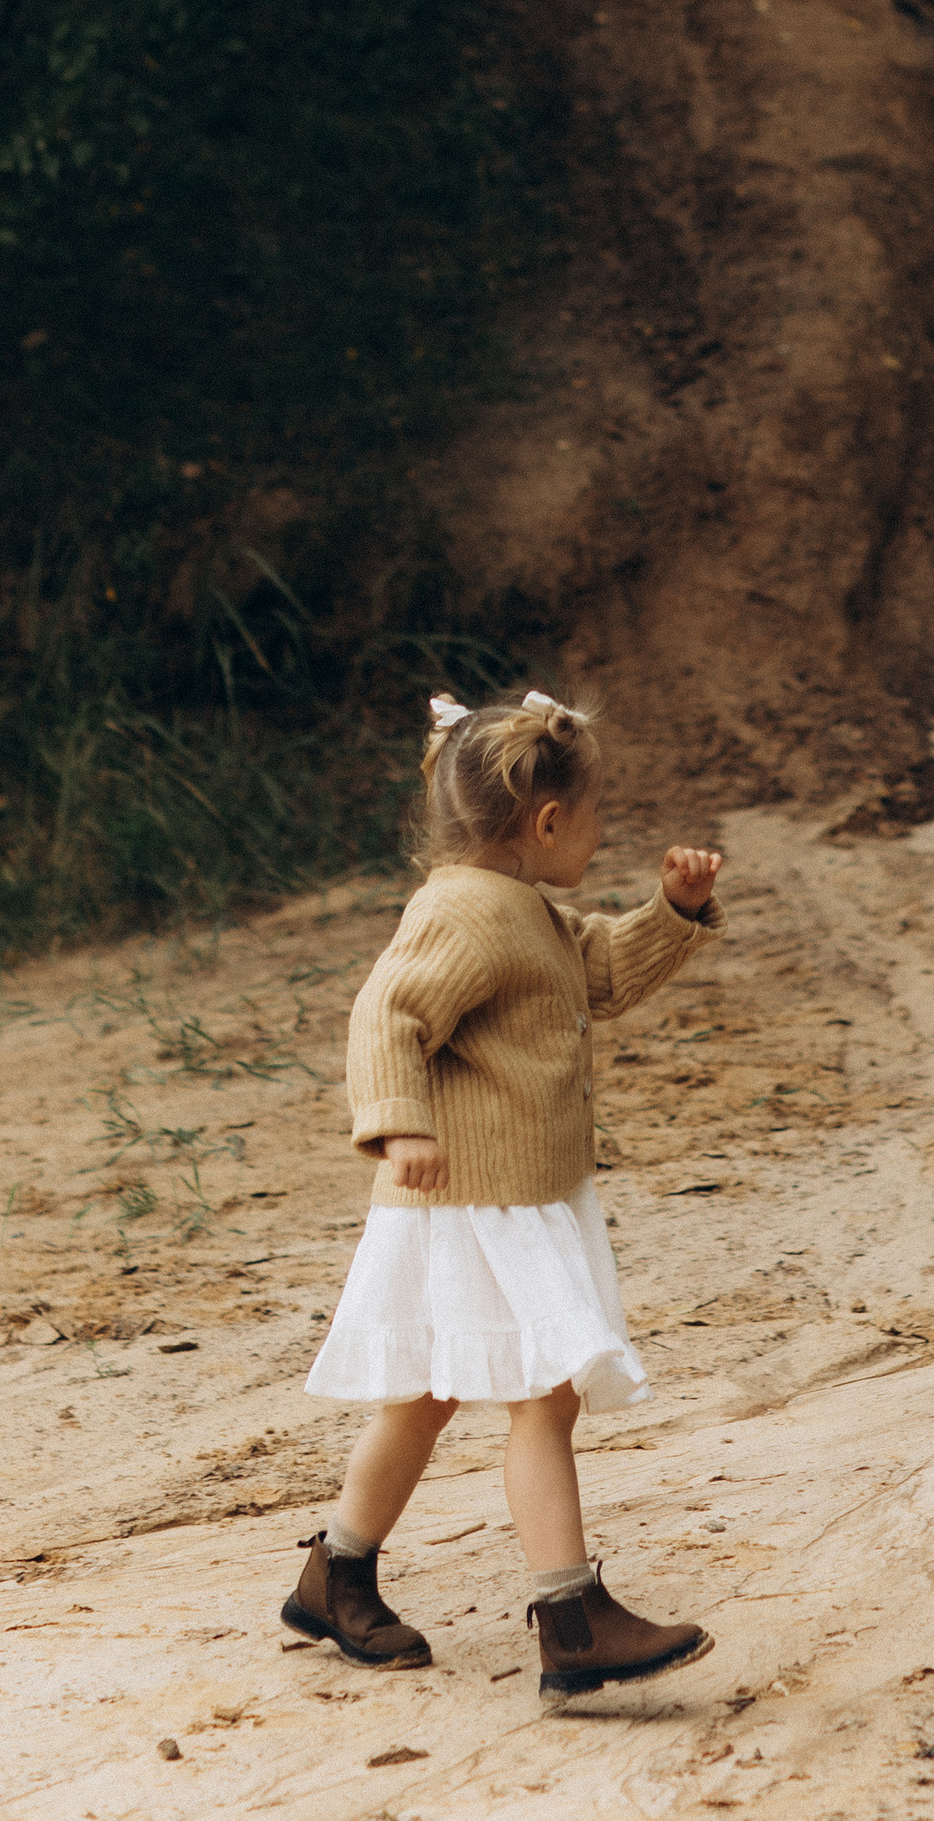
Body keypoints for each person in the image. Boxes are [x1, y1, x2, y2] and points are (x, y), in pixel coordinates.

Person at [285, 686, 725, 1688]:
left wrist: (675, 914)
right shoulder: (466, 914)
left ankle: (335, 1571)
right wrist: (397, 1125)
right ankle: (569, 1621)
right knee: (541, 1396)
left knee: (430, 1399)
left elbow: (599, 977)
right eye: (597, 816)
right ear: (549, 820)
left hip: (514, 1193)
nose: (601, 835)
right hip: (478, 1203)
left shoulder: (525, 908)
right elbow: (387, 1016)